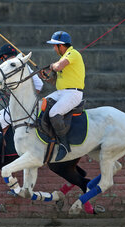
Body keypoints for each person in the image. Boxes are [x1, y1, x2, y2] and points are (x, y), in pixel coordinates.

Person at [0, 44, 43, 171]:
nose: (2, 61)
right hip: (15, 105)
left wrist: (26, 98)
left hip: (23, 108)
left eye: (3, 58)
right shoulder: (9, 68)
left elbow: (39, 85)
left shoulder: (19, 65)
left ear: (6, 56)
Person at [44, 31, 85, 161]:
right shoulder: (64, 57)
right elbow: (55, 81)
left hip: (73, 93)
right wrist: (47, 78)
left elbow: (58, 66)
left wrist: (52, 66)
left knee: (54, 113)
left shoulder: (73, 54)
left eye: (55, 46)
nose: (54, 49)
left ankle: (64, 144)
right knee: (42, 104)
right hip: (61, 92)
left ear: (61, 46)